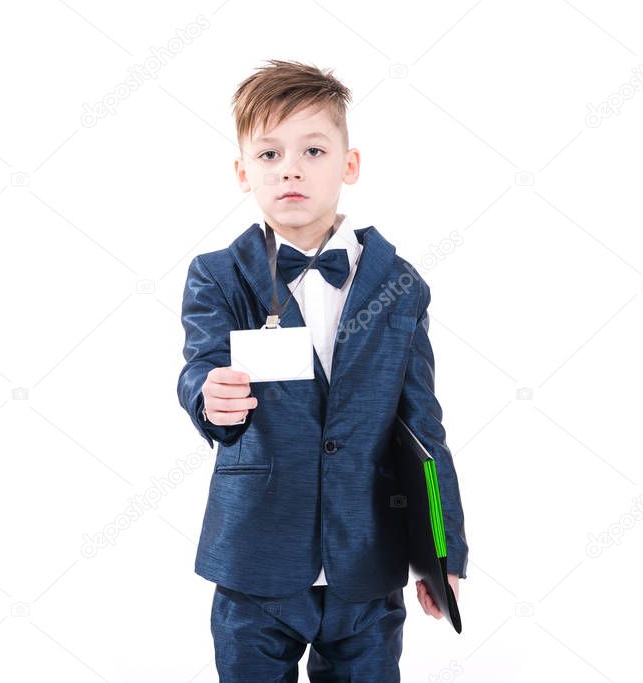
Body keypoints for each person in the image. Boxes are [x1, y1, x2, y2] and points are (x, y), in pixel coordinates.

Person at [177, 58, 468, 682]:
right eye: (269, 154)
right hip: (255, 559)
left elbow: (424, 427)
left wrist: (443, 552)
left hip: (367, 564)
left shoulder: (400, 283)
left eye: (313, 149)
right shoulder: (218, 275)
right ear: (241, 172)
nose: (290, 168)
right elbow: (199, 368)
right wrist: (209, 397)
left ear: (350, 164)